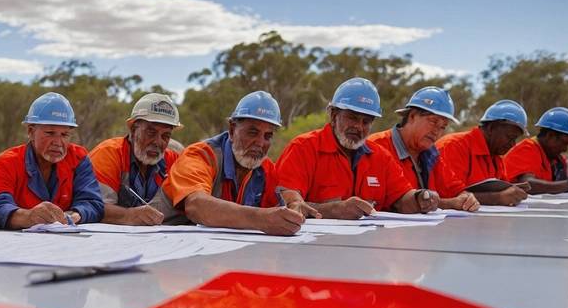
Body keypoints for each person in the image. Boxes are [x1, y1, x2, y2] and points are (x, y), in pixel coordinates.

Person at [276, 78, 439, 219]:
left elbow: (403, 199)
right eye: (352, 117)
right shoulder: (304, 148)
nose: (359, 127)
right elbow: (290, 204)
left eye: (366, 121)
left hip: (368, 250)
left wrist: (422, 198)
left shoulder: (380, 157)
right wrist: (333, 210)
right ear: (333, 115)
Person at [158, 91, 309, 236]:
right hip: (156, 244)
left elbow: (280, 200)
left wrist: (294, 203)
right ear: (231, 129)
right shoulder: (201, 155)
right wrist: (261, 219)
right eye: (252, 132)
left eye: (268, 136)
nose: (260, 143)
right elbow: (196, 205)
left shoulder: (265, 169)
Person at [0, 92, 104, 229]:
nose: (58, 142)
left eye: (64, 134)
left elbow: (93, 202)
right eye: (50, 133)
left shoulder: (78, 158)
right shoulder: (6, 163)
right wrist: (28, 217)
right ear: (31, 132)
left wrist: (73, 216)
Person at [368, 87, 479, 211]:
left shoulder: (431, 155)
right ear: (412, 116)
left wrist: (467, 198)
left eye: (443, 127)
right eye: (433, 122)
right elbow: (391, 203)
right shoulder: (376, 148)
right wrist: (450, 203)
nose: (436, 131)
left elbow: (455, 189)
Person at [89, 93, 180, 225]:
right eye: (151, 132)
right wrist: (128, 215)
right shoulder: (108, 154)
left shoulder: (174, 161)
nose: (157, 142)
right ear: (133, 129)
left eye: (165, 136)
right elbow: (92, 206)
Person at [436, 100, 530, 206]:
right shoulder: (454, 146)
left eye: (515, 139)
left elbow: (502, 189)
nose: (512, 144)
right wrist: (498, 198)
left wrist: (513, 191)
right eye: (509, 137)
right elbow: (450, 196)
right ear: (491, 128)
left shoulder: (496, 157)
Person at [504, 107, 568, 194]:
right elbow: (527, 185)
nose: (565, 149)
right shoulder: (526, 149)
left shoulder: (556, 159)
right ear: (550, 136)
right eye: (564, 143)